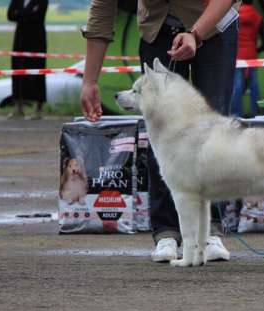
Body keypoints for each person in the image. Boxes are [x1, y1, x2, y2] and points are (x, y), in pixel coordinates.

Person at [81, 0, 240, 263]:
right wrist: (90, 80)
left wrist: (195, 33)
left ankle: (210, 230)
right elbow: (102, 11)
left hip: (214, 28)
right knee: (161, 128)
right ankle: (166, 231)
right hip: (158, 28)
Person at [7, 0, 48, 120]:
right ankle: (18, 108)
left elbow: (38, 16)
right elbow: (10, 15)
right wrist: (28, 13)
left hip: (37, 41)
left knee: (38, 74)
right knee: (17, 72)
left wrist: (20, 14)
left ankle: (39, 109)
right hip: (19, 41)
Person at [230, 0, 263, 117]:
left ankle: (236, 114)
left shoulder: (234, 13)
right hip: (251, 54)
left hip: (237, 54)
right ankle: (257, 113)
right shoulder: (256, 15)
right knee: (254, 85)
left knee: (237, 85)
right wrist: (259, 49)